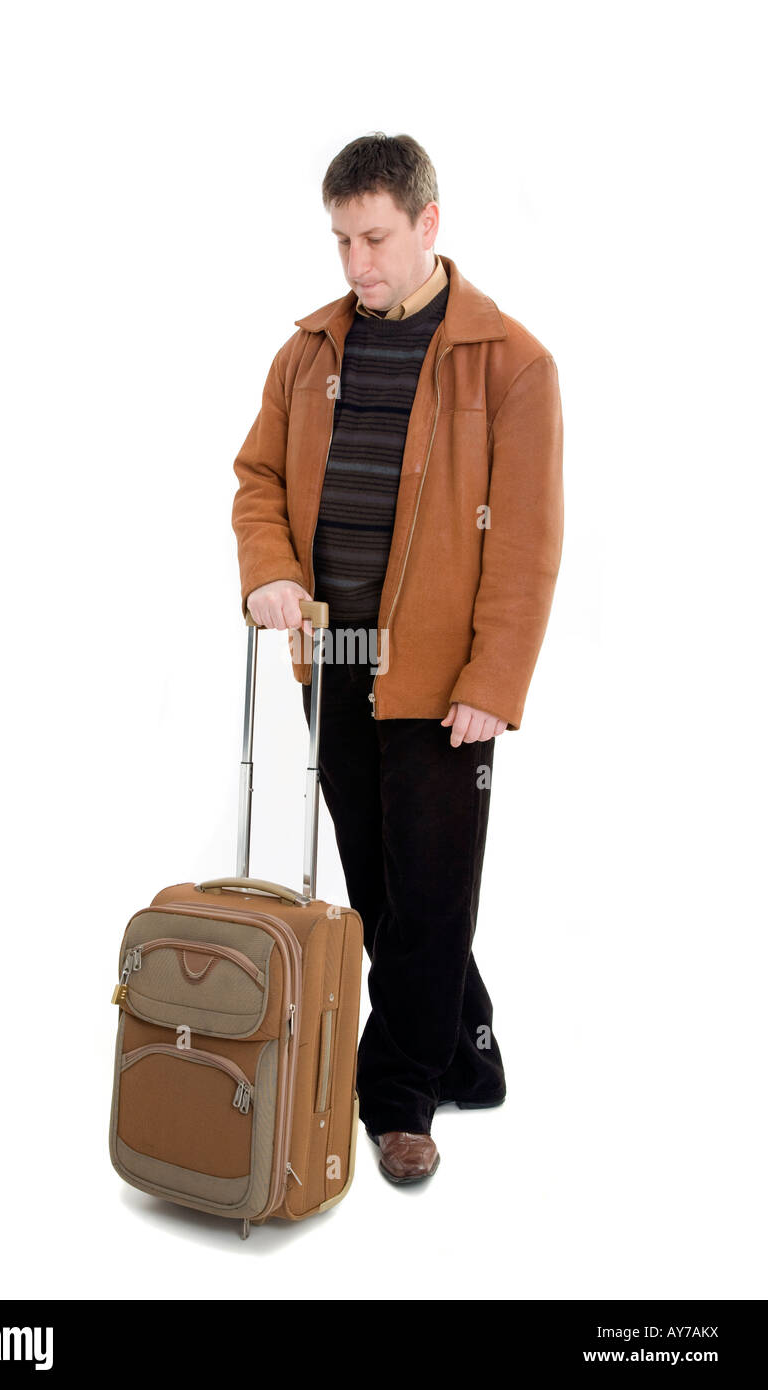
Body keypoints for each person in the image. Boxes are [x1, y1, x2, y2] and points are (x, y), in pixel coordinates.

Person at [231, 131, 564, 1186]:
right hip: (335, 658)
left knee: (429, 894)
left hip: (441, 678)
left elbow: (526, 540)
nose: (355, 263)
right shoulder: (308, 352)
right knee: (382, 891)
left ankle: (397, 1101)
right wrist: (269, 573)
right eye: (339, 239)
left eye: (373, 237)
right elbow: (256, 481)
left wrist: (491, 682)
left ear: (427, 223)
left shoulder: (511, 363)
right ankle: (466, 1047)